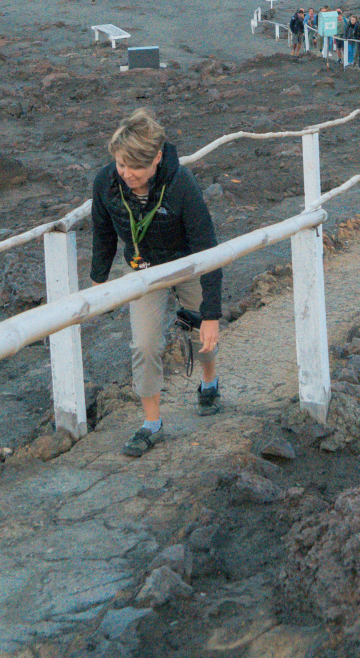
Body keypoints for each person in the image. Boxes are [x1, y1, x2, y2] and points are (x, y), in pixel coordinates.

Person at [87, 109, 225, 457]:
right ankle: (152, 424)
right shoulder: (106, 183)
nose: (127, 174)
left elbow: (208, 247)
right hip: (143, 269)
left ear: (157, 157)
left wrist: (211, 314)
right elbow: (103, 233)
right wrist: (97, 282)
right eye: (121, 165)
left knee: (200, 331)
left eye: (135, 167)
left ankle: (209, 382)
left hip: (188, 262)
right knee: (144, 345)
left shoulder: (182, 185)